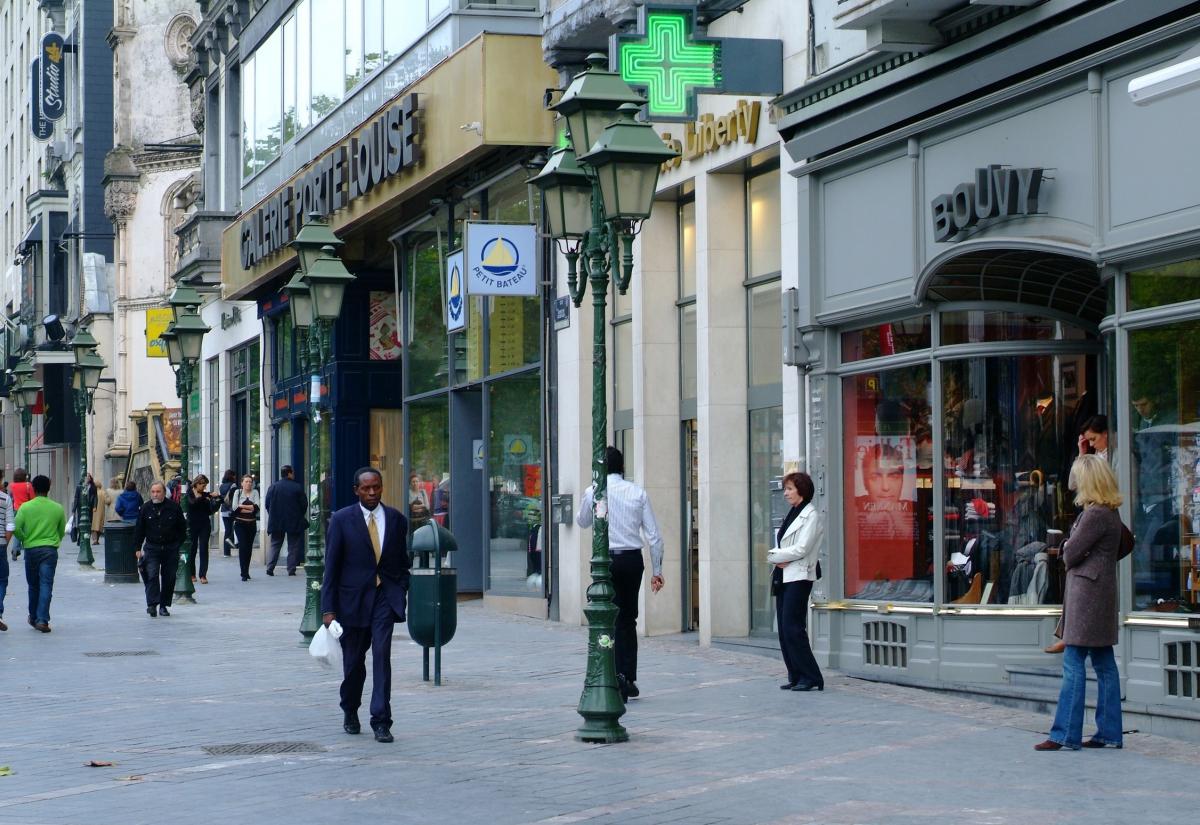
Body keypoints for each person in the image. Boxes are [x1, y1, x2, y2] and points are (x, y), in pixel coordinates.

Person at [1035, 455, 1126, 751]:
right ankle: (1109, 733)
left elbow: (1071, 553)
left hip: (1087, 595)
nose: (1072, 484)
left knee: (1073, 661)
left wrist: (1063, 545)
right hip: (1101, 592)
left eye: (1077, 478)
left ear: (1087, 481)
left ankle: (1064, 734)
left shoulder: (1095, 514)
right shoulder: (1110, 512)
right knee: (1103, 663)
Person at [321, 467, 411, 743]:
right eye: (366, 489)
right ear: (356, 490)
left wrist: (401, 587)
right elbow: (331, 566)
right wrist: (328, 609)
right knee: (354, 664)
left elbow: (400, 561)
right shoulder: (341, 520)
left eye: (376, 487)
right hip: (352, 602)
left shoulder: (396, 519)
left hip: (384, 598)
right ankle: (350, 708)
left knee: (382, 656)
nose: (372, 493)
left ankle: (381, 720)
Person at [575, 446, 665, 702]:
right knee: (628, 618)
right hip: (632, 560)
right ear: (622, 467)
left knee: (607, 618)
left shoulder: (594, 492)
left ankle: (611, 675)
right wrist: (657, 571)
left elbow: (582, 521)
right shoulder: (637, 493)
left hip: (606, 561)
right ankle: (628, 675)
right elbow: (654, 537)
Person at [767, 471, 825, 692]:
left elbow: (803, 548)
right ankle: (795, 673)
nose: (786, 493)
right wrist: (780, 558)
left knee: (793, 627)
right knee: (783, 628)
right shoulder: (793, 513)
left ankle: (811, 676)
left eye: (790, 489)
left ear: (802, 489)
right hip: (784, 575)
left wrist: (776, 556)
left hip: (799, 576)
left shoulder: (810, 515)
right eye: (785, 489)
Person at [13, 475, 66, 633]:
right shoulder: (57, 507)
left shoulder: (25, 507)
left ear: (33, 489)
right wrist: (54, 540)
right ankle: (43, 619)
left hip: (31, 549)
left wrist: (25, 539)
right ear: (48, 489)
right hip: (50, 549)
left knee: (33, 585)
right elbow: (61, 530)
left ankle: (33, 616)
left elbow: (15, 528)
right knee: (46, 584)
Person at [132, 481, 187, 617]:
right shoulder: (145, 508)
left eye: (158, 492)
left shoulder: (174, 507)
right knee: (151, 575)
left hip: (170, 548)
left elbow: (182, 528)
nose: (155, 494)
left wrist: (177, 545)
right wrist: (138, 548)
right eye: (153, 492)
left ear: (164, 493)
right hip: (152, 547)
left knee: (169, 578)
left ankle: (163, 606)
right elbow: (139, 529)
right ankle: (152, 604)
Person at [265, 465, 307, 576]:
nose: (293, 475)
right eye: (292, 473)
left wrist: (273, 514)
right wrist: (299, 515)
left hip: (277, 520)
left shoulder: (273, 487)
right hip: (293, 520)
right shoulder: (297, 487)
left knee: (275, 544)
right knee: (293, 546)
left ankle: (270, 568)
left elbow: (267, 503)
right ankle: (291, 569)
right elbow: (304, 505)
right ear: (289, 473)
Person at [187, 475, 221, 584]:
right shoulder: (189, 493)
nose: (204, 488)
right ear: (196, 484)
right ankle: (191, 573)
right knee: (192, 549)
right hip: (192, 524)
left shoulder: (206, 495)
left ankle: (203, 575)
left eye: (205, 485)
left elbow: (210, 510)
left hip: (204, 524)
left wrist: (216, 499)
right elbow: (192, 503)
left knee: (203, 549)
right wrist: (203, 497)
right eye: (202, 485)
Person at [229, 475, 261, 581]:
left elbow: (256, 507)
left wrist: (242, 506)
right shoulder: (237, 493)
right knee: (243, 547)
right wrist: (249, 508)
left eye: (250, 482)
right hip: (240, 524)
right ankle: (243, 573)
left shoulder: (255, 492)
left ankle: (247, 570)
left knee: (249, 548)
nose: (249, 483)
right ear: (242, 483)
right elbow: (235, 508)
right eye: (246, 481)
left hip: (251, 524)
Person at [8, 468, 34, 561]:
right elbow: (32, 499)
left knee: (17, 531)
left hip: (16, 510)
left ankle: (15, 549)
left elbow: (11, 497)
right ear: (25, 476)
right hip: (27, 510)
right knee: (27, 531)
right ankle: (27, 553)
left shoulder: (12, 486)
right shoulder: (28, 485)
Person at [70, 474, 99, 544]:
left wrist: (95, 506)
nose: (88, 478)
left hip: (89, 507)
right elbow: (76, 498)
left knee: (89, 523)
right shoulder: (79, 487)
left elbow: (95, 497)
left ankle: (86, 537)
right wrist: (74, 509)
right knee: (81, 523)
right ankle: (81, 537)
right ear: (83, 478)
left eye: (89, 477)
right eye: (86, 477)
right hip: (81, 508)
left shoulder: (93, 487)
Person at [219, 469, 238, 556]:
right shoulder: (233, 485)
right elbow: (234, 498)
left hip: (223, 510)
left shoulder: (221, 486)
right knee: (234, 528)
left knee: (227, 530)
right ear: (232, 476)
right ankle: (234, 543)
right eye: (234, 475)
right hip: (231, 510)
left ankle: (226, 552)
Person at [0, 475, 9, 631]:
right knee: (2, 580)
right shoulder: (5, 498)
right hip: (0, 544)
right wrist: (5, 544)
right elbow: (10, 525)